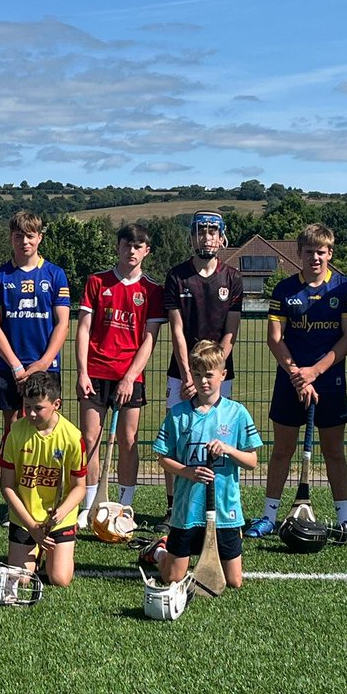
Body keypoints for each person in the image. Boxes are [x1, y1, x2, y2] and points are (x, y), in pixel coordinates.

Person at [247, 223, 347, 541]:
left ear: (330, 253)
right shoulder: (284, 290)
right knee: (282, 449)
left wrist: (314, 372)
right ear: (298, 254)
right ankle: (268, 515)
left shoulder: (345, 288)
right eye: (309, 252)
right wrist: (298, 374)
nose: (315, 257)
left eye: (321, 252)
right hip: (290, 381)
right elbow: (274, 339)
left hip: (328, 381)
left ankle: (344, 520)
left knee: (334, 452)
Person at [145, 340, 262, 589]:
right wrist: (187, 472)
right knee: (172, 578)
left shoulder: (237, 413)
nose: (203, 381)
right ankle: (159, 552)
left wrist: (229, 450)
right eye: (197, 375)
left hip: (225, 509)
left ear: (223, 375)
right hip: (187, 510)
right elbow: (163, 458)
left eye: (209, 375)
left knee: (234, 581)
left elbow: (252, 461)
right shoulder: (178, 414)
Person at [75, 223, 165, 527]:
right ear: (118, 247)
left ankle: (125, 506)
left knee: (128, 440)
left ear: (147, 251)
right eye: (127, 244)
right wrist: (83, 371)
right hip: (96, 371)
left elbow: (149, 338)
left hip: (130, 376)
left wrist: (130, 377)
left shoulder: (152, 290)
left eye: (138, 246)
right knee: (90, 440)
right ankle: (90, 505)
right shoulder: (97, 282)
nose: (132, 251)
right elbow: (84, 329)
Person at [158, 210, 243, 531]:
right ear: (192, 236)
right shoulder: (176, 276)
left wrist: (213, 372)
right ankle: (172, 508)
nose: (206, 237)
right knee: (180, 441)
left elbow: (230, 332)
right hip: (182, 373)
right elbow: (176, 330)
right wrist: (190, 374)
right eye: (200, 231)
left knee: (219, 439)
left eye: (212, 232)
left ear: (222, 237)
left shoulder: (232, 277)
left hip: (221, 374)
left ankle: (219, 509)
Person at [0, 210, 71, 431]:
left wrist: (42, 364)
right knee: (13, 427)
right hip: (10, 366)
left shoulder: (55, 274)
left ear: (39, 237)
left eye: (30, 236)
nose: (25, 242)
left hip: (46, 365)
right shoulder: (0, 275)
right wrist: (16, 367)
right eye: (18, 236)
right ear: (10, 238)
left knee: (46, 425)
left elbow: (63, 324)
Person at [0, 372, 87, 587]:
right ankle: (34, 552)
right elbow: (7, 487)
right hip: (26, 518)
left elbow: (79, 488)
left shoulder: (73, 437)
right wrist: (32, 527)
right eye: (27, 406)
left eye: (38, 408)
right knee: (21, 581)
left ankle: (52, 553)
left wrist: (61, 513)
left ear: (57, 404)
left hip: (58, 519)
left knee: (60, 579)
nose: (31, 413)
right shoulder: (15, 432)